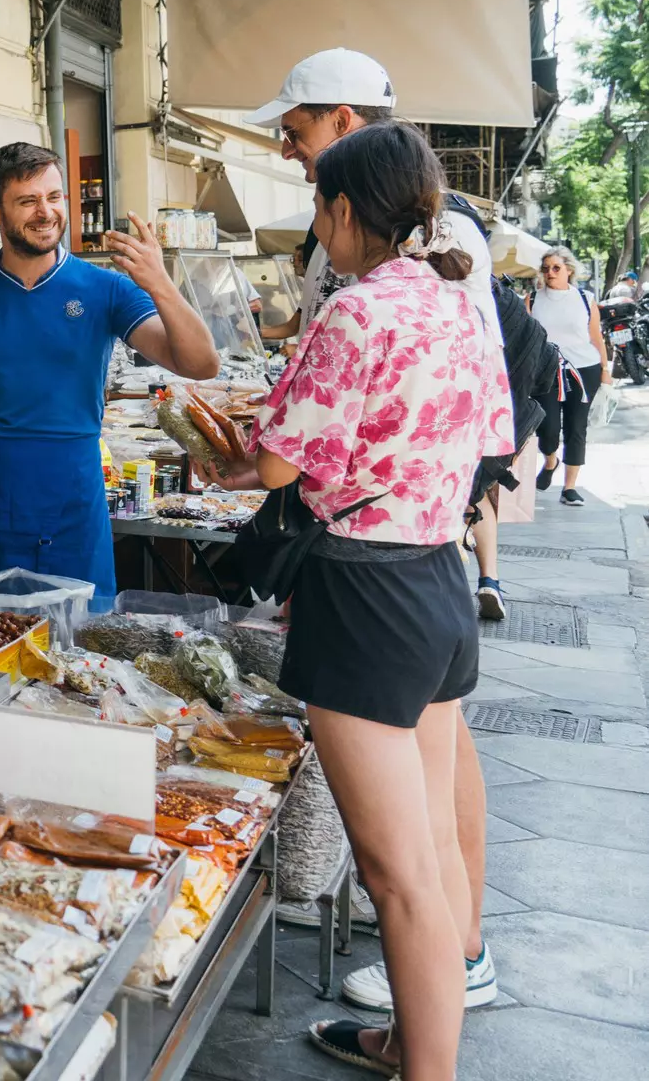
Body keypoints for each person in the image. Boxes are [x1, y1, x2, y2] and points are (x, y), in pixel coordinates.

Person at [204, 123, 512, 1080]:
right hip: (438, 579)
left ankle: (428, 1072)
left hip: (364, 593)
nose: (316, 229)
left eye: (319, 211)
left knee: (395, 873)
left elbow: (280, 463)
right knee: (432, 852)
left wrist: (231, 457)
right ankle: (409, 1043)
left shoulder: (357, 309)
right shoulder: (458, 299)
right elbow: (493, 434)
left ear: (344, 211)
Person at [0, 142, 219, 595]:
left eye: (53, 197)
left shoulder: (106, 289)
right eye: (27, 201)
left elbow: (201, 363)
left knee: (74, 638)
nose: (45, 212)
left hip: (71, 490)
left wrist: (160, 283)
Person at [529, 247, 607, 507]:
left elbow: (596, 338)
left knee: (576, 427)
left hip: (584, 369)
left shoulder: (585, 298)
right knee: (547, 427)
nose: (550, 273)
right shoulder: (532, 299)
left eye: (556, 268)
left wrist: (605, 370)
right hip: (546, 370)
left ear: (569, 270)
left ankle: (570, 487)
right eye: (546, 268)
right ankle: (551, 459)